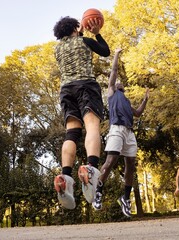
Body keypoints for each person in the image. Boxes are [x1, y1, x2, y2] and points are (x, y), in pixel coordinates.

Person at [52, 16, 110, 209]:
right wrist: (96, 33)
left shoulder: (57, 49)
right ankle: (91, 167)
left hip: (66, 90)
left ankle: (66, 176)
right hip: (86, 85)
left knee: (72, 132)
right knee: (92, 125)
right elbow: (105, 52)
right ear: (76, 28)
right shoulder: (83, 41)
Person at [92, 48, 149, 217]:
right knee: (110, 161)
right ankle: (98, 191)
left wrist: (145, 100)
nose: (118, 83)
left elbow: (137, 113)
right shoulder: (111, 93)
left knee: (131, 165)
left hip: (129, 133)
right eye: (116, 82)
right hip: (116, 129)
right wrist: (116, 54)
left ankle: (125, 198)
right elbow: (114, 71)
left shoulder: (125, 100)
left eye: (120, 83)